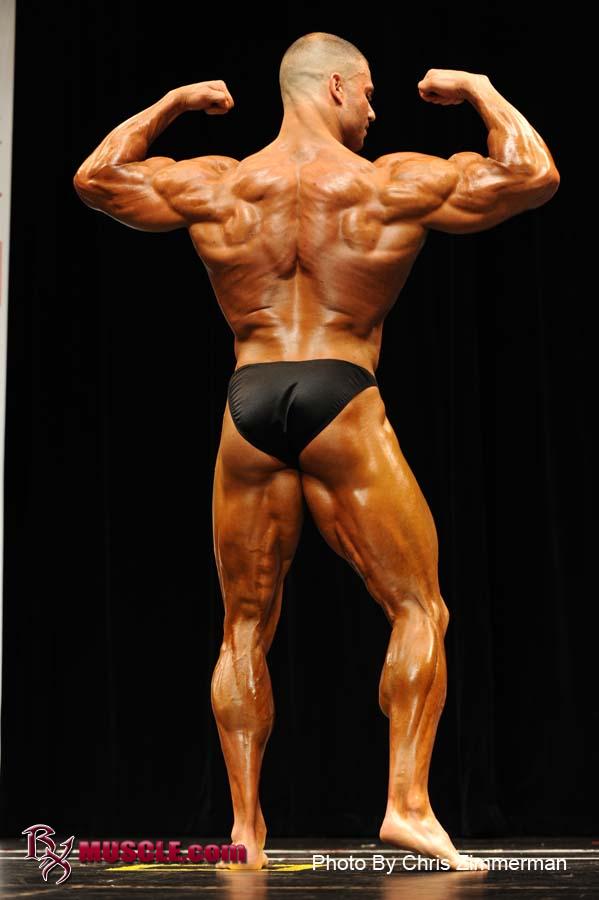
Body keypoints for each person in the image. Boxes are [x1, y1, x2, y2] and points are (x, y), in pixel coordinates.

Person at [73, 31, 560, 872]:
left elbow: (97, 178)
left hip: (248, 402)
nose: (373, 112)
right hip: (341, 392)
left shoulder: (221, 183)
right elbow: (532, 174)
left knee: (243, 627)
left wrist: (174, 105)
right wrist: (479, 87)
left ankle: (244, 830)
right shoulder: (386, 183)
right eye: (367, 94)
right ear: (335, 86)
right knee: (418, 608)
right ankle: (406, 806)